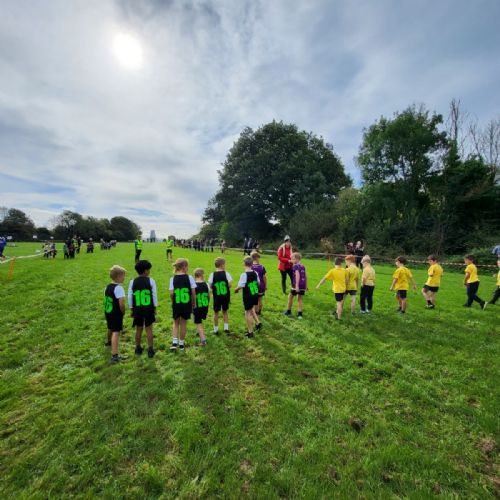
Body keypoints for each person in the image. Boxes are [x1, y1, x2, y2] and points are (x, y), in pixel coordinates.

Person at [128, 260, 157, 358]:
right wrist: (155, 307)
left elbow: (130, 296)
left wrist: (131, 308)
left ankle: (138, 348)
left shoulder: (132, 281)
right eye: (149, 269)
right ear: (145, 271)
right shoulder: (151, 280)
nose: (149, 271)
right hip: (148, 308)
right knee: (149, 329)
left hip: (138, 309)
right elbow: (154, 295)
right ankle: (150, 349)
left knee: (138, 328)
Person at [169, 258, 197, 351]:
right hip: (186, 304)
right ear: (184, 267)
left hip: (177, 303)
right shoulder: (189, 278)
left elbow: (171, 294)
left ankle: (174, 342)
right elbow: (193, 292)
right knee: (183, 323)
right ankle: (181, 344)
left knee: (175, 322)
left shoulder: (172, 279)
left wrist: (173, 302)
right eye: (187, 266)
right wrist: (194, 303)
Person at [104, 265, 127, 362]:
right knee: (116, 332)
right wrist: (123, 312)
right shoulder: (119, 288)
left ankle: (108, 342)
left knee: (110, 327)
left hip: (108, 311)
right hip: (116, 313)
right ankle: (115, 355)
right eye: (123, 276)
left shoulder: (107, 287)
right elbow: (121, 304)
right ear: (118, 276)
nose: (124, 278)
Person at [234, 256, 261, 338]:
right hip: (254, 293)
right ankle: (258, 323)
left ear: (244, 264)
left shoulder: (244, 274)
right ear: (252, 264)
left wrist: (236, 289)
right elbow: (258, 283)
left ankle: (250, 332)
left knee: (247, 313)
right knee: (251, 308)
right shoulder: (255, 273)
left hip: (248, 295)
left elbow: (241, 285)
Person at [208, 257, 232, 335]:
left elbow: (210, 285)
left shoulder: (212, 274)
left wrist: (214, 288)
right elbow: (230, 285)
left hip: (217, 297)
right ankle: (226, 328)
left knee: (216, 312)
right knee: (225, 311)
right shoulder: (226, 273)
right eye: (224, 264)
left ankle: (215, 330)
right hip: (225, 296)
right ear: (222, 265)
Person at [284, 252, 307, 319]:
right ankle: (300, 314)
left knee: (290, 297)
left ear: (297, 259)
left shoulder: (295, 266)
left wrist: (296, 285)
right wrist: (306, 286)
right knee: (299, 298)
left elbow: (297, 275)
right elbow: (306, 276)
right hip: (303, 285)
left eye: (292, 259)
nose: (291, 260)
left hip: (296, 285)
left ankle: (288, 311)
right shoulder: (303, 266)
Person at [193, 268, 209, 347]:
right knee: (199, 320)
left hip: (197, 307)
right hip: (205, 306)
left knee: (198, 322)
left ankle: (203, 341)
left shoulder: (193, 286)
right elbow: (209, 295)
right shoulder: (206, 284)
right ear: (202, 275)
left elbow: (192, 297)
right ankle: (198, 332)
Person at [251, 251, 267, 315]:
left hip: (253, 285)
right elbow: (264, 277)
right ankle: (259, 312)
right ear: (258, 258)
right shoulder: (262, 267)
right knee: (260, 299)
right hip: (261, 285)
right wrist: (265, 286)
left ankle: (255, 312)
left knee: (254, 299)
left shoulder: (250, 267)